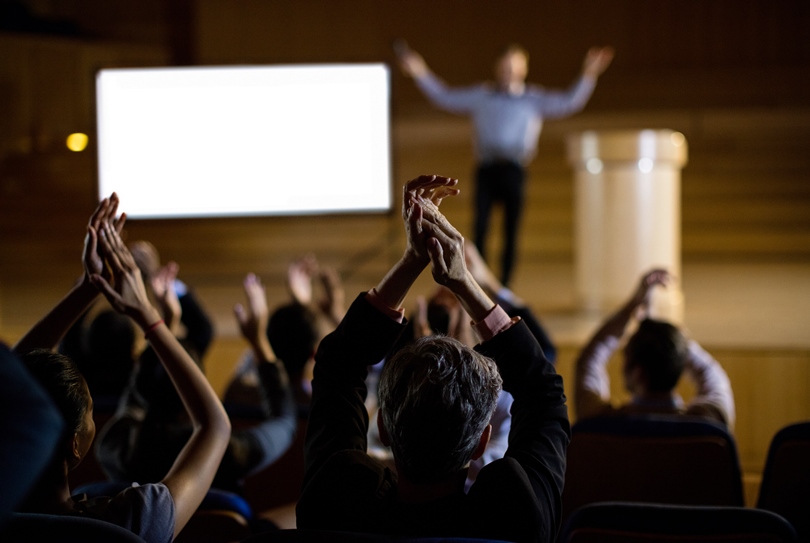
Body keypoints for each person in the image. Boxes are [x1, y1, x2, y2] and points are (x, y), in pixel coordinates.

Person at [296, 175, 569, 543]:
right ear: (480, 443)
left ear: (385, 429)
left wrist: (412, 260)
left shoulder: (333, 509)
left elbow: (337, 364)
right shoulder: (520, 520)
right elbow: (544, 393)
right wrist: (464, 281)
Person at [12, 194, 231, 543]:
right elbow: (215, 426)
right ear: (74, 445)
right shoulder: (133, 520)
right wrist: (146, 313)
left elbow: (9, 384)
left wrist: (86, 289)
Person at [397, 42, 614, 285]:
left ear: (524, 69)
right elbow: (444, 96)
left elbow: (569, 102)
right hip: (487, 168)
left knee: (511, 232)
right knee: (480, 229)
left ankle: (505, 287)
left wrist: (588, 74)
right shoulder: (483, 96)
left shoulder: (533, 98)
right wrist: (420, 71)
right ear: (497, 68)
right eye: (505, 66)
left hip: (514, 169)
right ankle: (475, 281)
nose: (509, 71)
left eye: (515, 67)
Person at [96, 272, 297, 495]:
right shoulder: (227, 452)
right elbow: (284, 421)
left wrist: (164, 325)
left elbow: (136, 397)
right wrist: (259, 340)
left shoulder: (115, 445)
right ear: (200, 388)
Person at [574, 269, 735, 428]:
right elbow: (712, 374)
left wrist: (632, 307)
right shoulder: (708, 423)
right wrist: (673, 340)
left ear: (639, 374)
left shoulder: (599, 422)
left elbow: (588, 360)